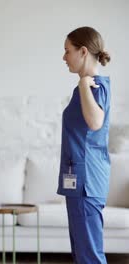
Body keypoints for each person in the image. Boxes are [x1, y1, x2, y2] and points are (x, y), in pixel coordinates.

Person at [58, 26, 111, 263]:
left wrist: (82, 86)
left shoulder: (92, 86)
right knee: (82, 254)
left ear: (82, 51)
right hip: (80, 182)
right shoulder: (87, 87)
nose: (64, 57)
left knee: (89, 256)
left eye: (67, 51)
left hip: (86, 183)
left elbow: (95, 121)